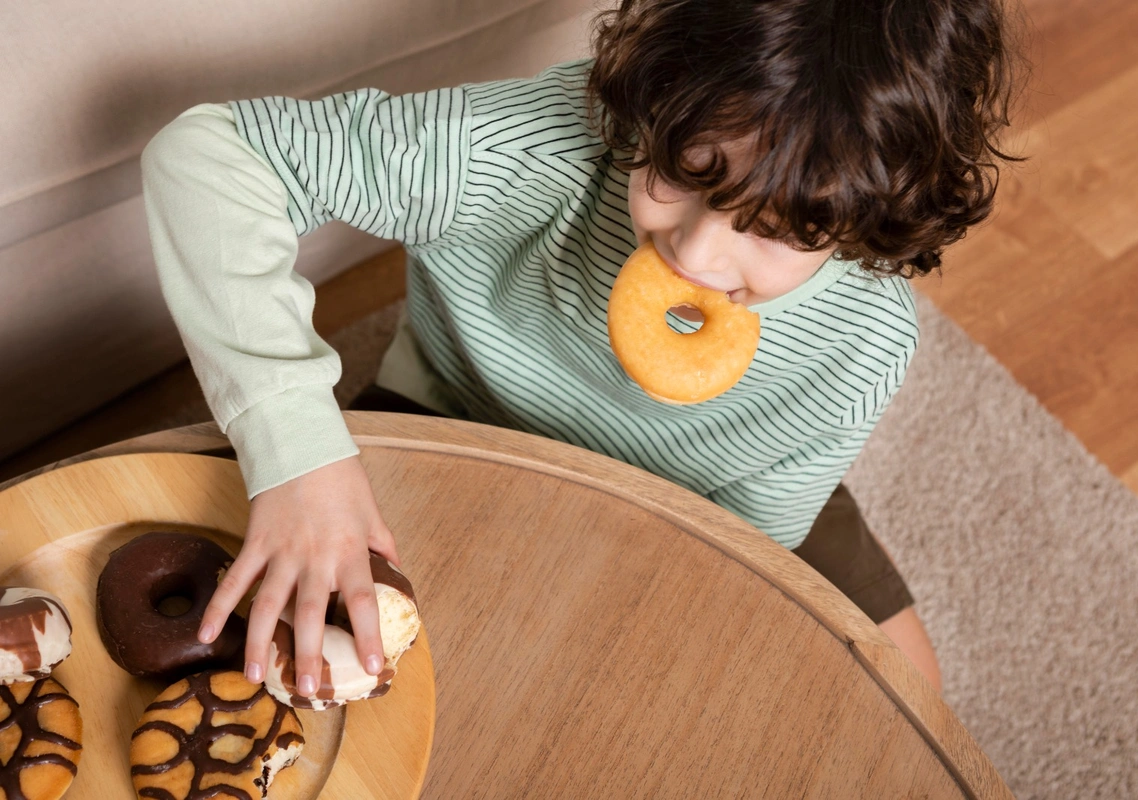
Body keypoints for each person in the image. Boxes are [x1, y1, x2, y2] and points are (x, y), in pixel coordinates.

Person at [140, 0, 1027, 700]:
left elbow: (727, 553)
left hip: (713, 488)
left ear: (873, 222)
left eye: (779, 229)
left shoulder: (864, 343)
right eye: (687, 169)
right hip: (456, 411)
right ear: (661, 96)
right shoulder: (535, 148)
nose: (698, 253)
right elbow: (207, 157)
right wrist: (297, 451)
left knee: (902, 690)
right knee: (337, 653)